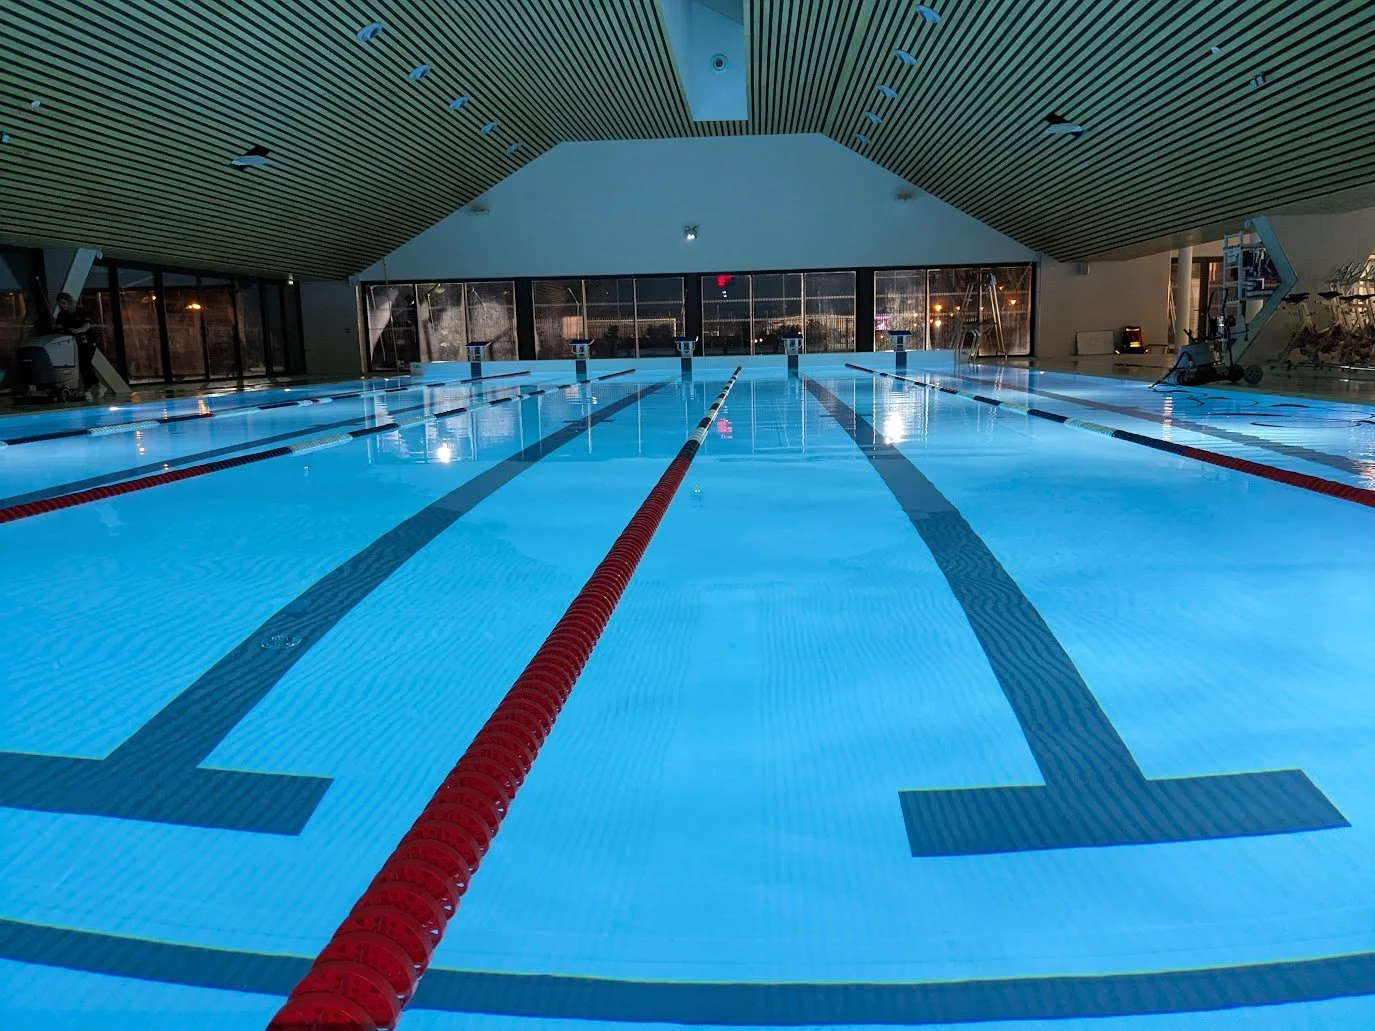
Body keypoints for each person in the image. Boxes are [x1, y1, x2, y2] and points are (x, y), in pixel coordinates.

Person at [53, 292, 101, 400]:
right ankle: (91, 388)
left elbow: (87, 325)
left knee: (85, 363)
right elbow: (58, 327)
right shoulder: (62, 315)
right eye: (60, 304)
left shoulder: (80, 311)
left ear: (69, 302)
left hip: (87, 342)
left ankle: (92, 387)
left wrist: (77, 330)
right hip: (74, 344)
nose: (62, 306)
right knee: (82, 366)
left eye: (64, 303)